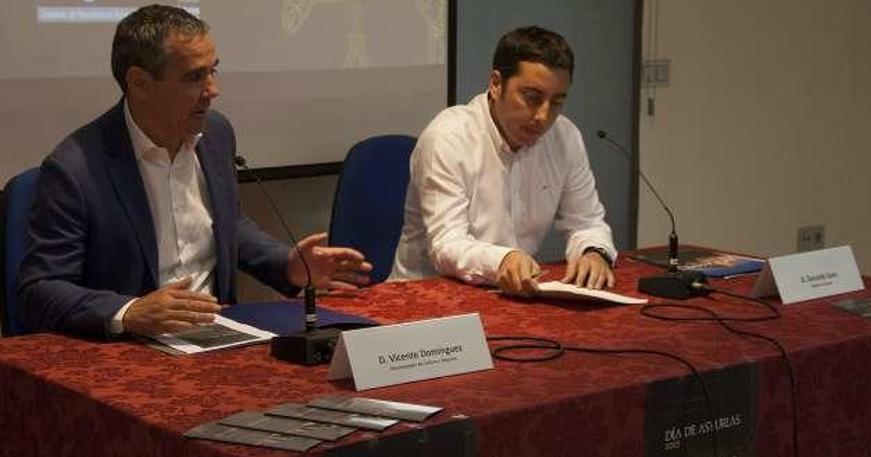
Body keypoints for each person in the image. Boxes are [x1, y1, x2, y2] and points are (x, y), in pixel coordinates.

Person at [15, 5, 371, 337]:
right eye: (194, 77)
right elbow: (40, 290)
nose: (212, 90)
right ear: (139, 83)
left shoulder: (215, 134)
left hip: (218, 331)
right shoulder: (76, 168)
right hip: (131, 349)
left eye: (213, 70)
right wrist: (129, 311)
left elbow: (228, 226)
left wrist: (287, 265)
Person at [390, 25, 616, 297]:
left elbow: (587, 222)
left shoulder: (564, 136)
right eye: (532, 98)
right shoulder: (448, 136)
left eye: (556, 102)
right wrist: (503, 259)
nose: (543, 116)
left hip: (511, 297)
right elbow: (446, 245)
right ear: (496, 84)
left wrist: (594, 252)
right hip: (423, 301)